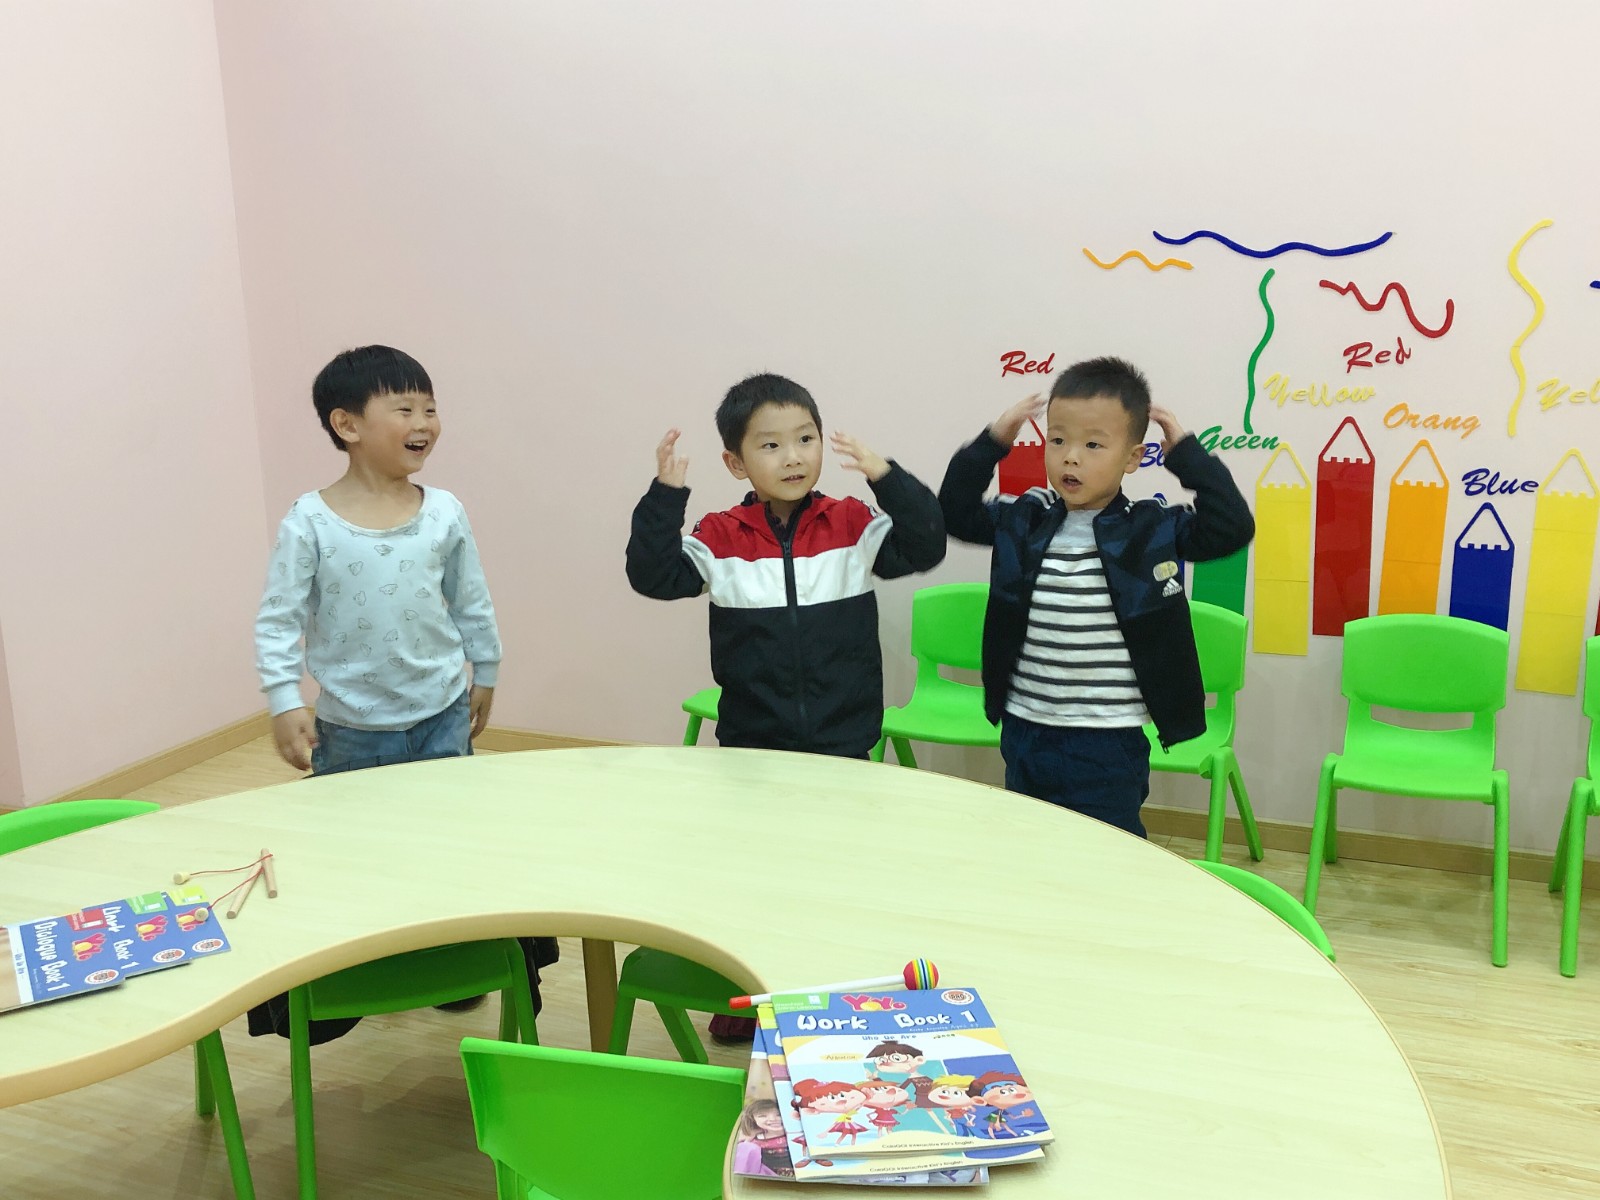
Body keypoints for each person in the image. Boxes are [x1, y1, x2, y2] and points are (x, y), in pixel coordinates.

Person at [627, 372, 945, 1043]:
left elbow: (926, 543)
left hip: (842, 740)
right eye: (770, 445)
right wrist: (665, 495)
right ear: (736, 463)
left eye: (805, 439)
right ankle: (749, 991)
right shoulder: (721, 534)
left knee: (837, 874)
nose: (793, 456)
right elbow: (652, 576)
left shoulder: (852, 524)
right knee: (757, 877)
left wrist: (887, 477)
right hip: (753, 748)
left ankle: (835, 989)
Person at [248, 344, 555, 1041]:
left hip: (442, 712)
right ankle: (362, 970)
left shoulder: (443, 511)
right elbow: (278, 619)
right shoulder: (310, 521)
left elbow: (470, 598)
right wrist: (284, 700)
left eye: (431, 409)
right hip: (353, 729)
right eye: (405, 408)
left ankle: (454, 961)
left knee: (451, 846)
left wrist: (487, 669)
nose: (425, 423)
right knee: (363, 851)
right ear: (348, 424)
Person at [939, 356, 1255, 837]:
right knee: (1028, 839)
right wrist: (993, 442)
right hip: (1026, 725)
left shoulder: (1150, 527)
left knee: (1108, 847)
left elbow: (1231, 526)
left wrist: (1188, 455)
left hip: (1108, 737)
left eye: (1093, 444)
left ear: (1132, 458)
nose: (1071, 457)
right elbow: (954, 513)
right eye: (1058, 440)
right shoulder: (1024, 518)